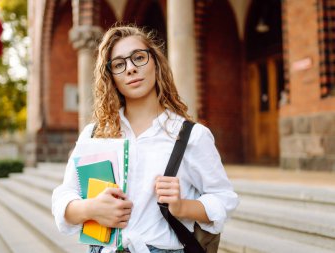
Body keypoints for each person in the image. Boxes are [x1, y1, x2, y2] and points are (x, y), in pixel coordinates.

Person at [52, 25, 239, 253]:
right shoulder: (95, 134)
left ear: (155, 63)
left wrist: (183, 206)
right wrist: (91, 208)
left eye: (138, 58)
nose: (130, 68)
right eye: (119, 64)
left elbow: (224, 198)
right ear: (110, 76)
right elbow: (64, 197)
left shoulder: (190, 135)